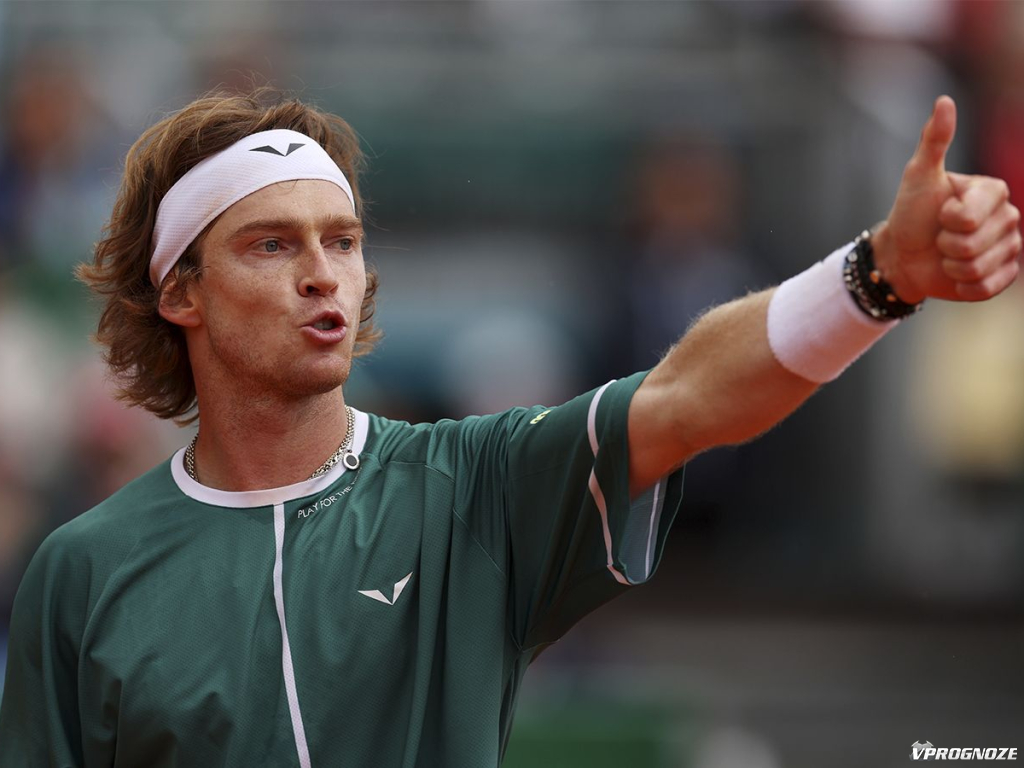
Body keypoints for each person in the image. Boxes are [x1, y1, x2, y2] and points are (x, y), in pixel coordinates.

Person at [0, 88, 1018, 767]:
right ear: (180, 292)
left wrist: (876, 276)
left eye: (342, 241)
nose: (323, 274)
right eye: (271, 244)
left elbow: (691, 393)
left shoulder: (472, 485)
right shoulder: (82, 570)